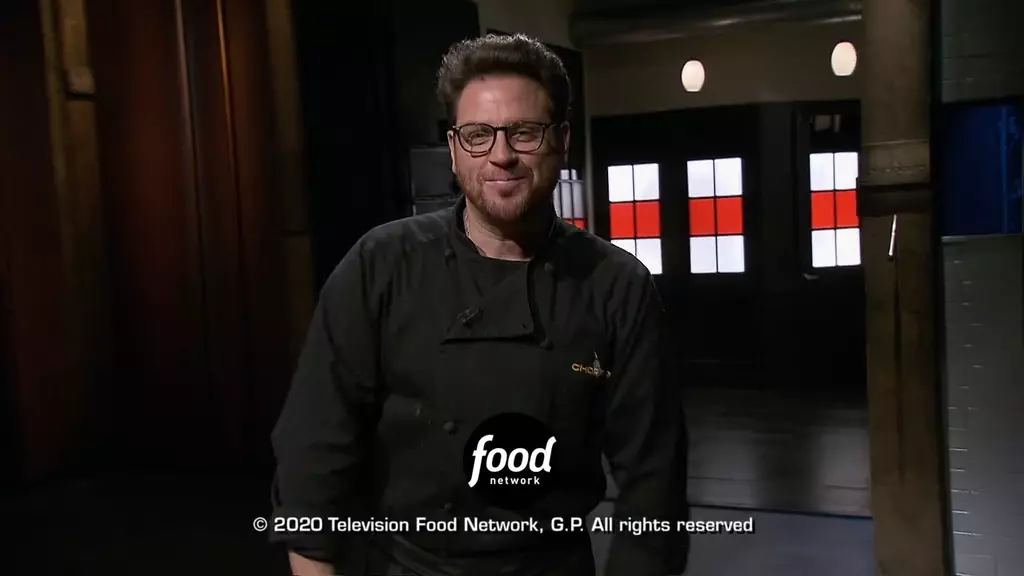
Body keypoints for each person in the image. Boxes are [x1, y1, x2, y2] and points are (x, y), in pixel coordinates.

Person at [269, 33, 689, 576]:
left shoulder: (616, 285)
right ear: (453, 148)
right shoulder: (382, 264)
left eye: (524, 132)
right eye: (478, 135)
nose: (501, 154)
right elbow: (313, 449)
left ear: (561, 141)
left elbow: (654, 484)